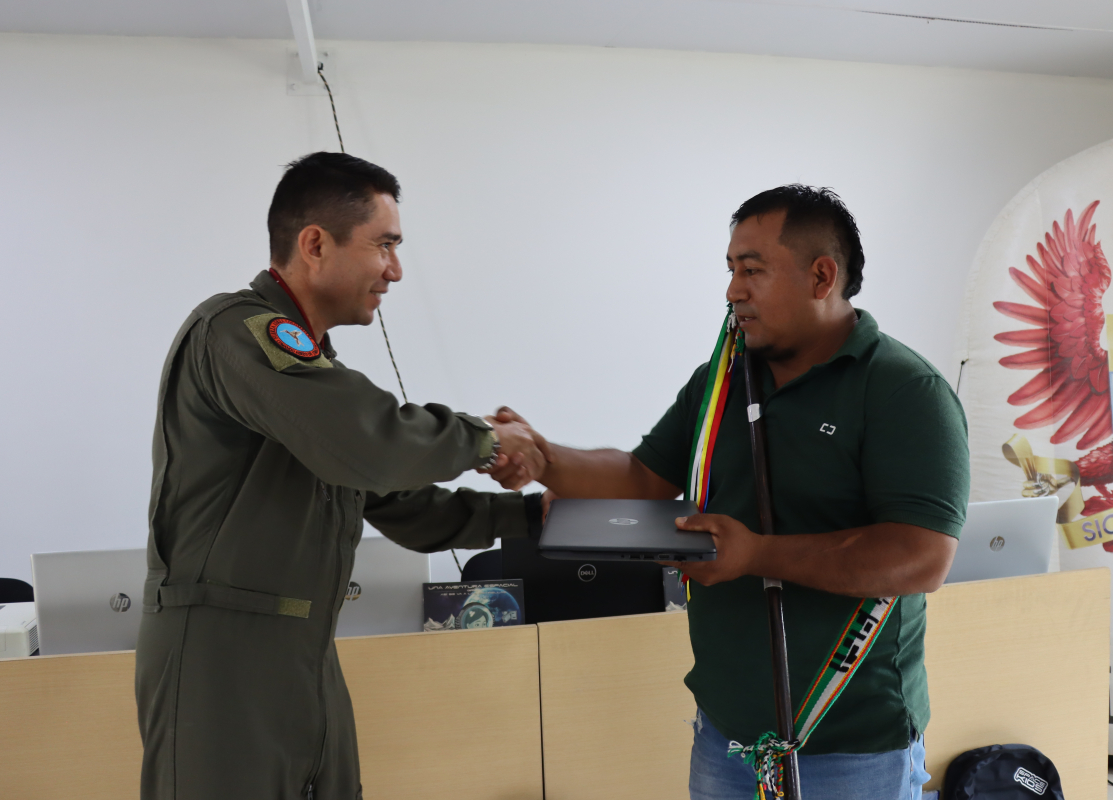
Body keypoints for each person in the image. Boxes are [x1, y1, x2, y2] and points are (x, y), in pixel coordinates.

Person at [491, 185, 969, 800]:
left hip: (852, 744)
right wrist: (546, 458)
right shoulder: (720, 380)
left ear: (822, 276)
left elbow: (922, 556)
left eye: (752, 270)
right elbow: (643, 477)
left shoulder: (904, 390)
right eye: (730, 270)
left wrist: (756, 554)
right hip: (728, 736)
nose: (732, 291)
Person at [136, 151, 547, 800]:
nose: (396, 271)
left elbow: (398, 501)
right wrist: (485, 440)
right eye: (385, 245)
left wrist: (531, 518)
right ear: (315, 244)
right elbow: (373, 444)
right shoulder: (237, 332)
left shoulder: (312, 381)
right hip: (222, 657)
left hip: (304, 649)